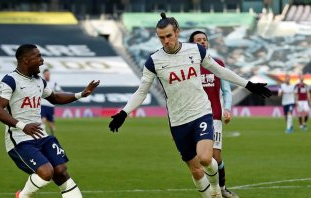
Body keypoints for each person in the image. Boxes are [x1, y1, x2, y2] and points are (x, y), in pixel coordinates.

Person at [108, 13, 271, 198]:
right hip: (178, 121)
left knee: (205, 158)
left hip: (201, 112)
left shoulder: (195, 51)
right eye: (161, 38)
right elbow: (142, 91)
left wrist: (248, 84)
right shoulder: (153, 61)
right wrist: (124, 112)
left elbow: (220, 70)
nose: (166, 41)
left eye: (169, 36)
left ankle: (217, 190)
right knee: (195, 171)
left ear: (177, 32)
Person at [0, 44, 100, 198]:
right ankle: (22, 196)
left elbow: (54, 97)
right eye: (38, 56)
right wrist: (22, 126)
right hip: (20, 139)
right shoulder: (10, 81)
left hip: (42, 136)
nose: (42, 61)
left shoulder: (38, 80)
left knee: (61, 171)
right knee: (46, 172)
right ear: (26, 60)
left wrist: (80, 94)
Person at [189, 30, 238, 198]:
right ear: (192, 44)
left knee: (215, 158)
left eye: (204, 39)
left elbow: (226, 90)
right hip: (193, 117)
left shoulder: (217, 63)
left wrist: (228, 108)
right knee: (199, 159)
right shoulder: (188, 67)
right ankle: (212, 191)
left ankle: (221, 189)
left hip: (214, 116)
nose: (202, 42)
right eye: (198, 40)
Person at [41, 68, 62, 136]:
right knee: (43, 120)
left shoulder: (54, 83)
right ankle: (43, 136)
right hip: (42, 105)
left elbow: (60, 91)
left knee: (51, 125)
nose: (47, 75)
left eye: (48, 74)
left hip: (50, 106)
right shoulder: (41, 82)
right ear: (43, 75)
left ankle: (52, 136)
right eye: (46, 74)